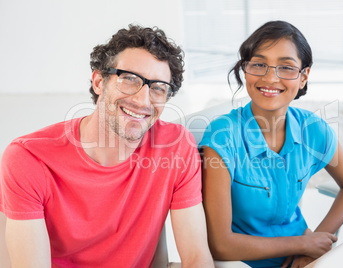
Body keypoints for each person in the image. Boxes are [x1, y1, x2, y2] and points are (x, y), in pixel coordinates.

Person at [0, 24, 214, 267]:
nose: (142, 100)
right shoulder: (28, 158)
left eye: (157, 88)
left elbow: (197, 258)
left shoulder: (177, 147)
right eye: (129, 80)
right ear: (99, 82)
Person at [199, 20, 343, 268]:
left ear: (303, 77)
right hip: (243, 262)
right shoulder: (223, 136)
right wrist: (302, 245)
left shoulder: (313, 129)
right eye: (259, 64)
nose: (270, 77)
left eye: (286, 67)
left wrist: (315, 246)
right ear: (245, 70)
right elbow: (219, 245)